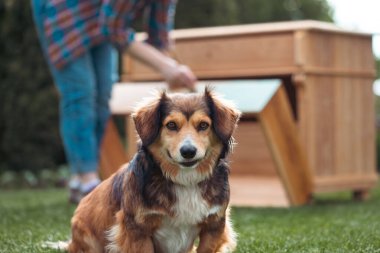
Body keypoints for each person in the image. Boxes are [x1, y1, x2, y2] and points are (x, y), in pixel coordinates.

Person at [31, 0, 197, 203]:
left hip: (101, 18)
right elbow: (112, 29)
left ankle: (79, 179)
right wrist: (167, 68)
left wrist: (174, 69)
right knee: (81, 94)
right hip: (64, 9)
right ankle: (87, 179)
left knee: (102, 98)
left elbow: (159, 37)